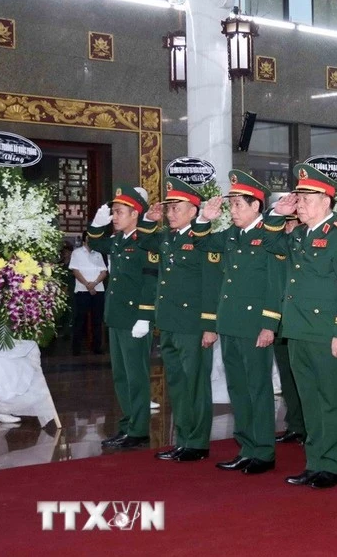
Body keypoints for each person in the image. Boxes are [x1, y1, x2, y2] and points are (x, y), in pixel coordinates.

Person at [268, 164, 337, 490]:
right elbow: (266, 243)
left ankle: (333, 466)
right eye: (299, 197)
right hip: (297, 331)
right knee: (309, 401)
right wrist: (277, 214)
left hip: (326, 333)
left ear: (326, 201)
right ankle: (315, 462)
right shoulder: (297, 235)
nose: (300, 203)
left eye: (307, 198)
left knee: (331, 400)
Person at [197, 171, 284, 475]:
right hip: (231, 323)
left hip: (254, 325)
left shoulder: (270, 236)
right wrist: (205, 219)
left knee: (258, 388)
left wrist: (269, 324)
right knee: (238, 387)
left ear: (256, 206)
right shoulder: (232, 235)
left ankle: (263, 451)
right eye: (230, 205)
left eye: (238, 205)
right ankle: (246, 446)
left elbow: (276, 284)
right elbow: (203, 245)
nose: (232, 211)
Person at [140, 178, 222, 463]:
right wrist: (148, 220)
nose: (171, 213)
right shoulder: (167, 236)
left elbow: (212, 284)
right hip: (171, 322)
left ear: (193, 210)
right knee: (177, 382)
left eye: (177, 208)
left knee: (195, 383)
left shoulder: (203, 239)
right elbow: (144, 240)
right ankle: (183, 438)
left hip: (193, 323)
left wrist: (210, 325)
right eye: (169, 208)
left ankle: (197, 443)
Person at [86, 185, 158, 450]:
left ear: (135, 214)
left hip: (134, 318)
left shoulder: (146, 241)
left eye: (119, 212)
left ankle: (139, 430)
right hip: (116, 315)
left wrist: (144, 317)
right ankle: (128, 425)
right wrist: (96, 224)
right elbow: (94, 242)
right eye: (113, 212)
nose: (114, 217)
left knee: (136, 376)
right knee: (121, 376)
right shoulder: (117, 241)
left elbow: (150, 282)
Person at [270, 208, 307, 445]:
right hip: (280, 319)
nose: (290, 226)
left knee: (304, 377)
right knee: (287, 375)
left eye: (293, 221)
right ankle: (294, 424)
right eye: (286, 222)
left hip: (302, 320)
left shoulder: (306, 245)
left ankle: (307, 426)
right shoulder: (281, 246)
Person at [69, 231, 108, 355]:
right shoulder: (77, 253)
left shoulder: (98, 253)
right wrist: (87, 284)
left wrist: (94, 283)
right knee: (80, 319)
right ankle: (76, 348)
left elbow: (104, 272)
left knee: (97, 319)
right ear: (85, 240)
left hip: (98, 290)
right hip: (82, 290)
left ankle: (97, 347)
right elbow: (75, 271)